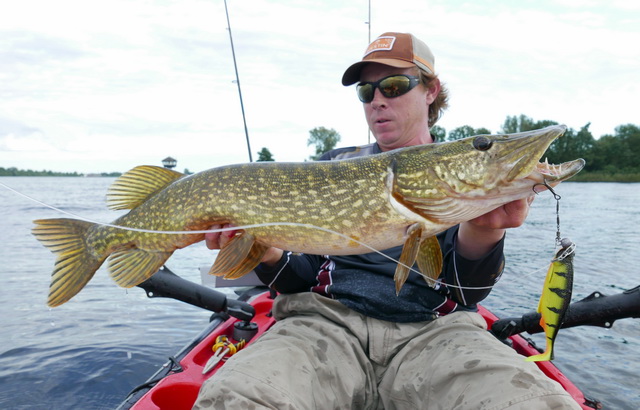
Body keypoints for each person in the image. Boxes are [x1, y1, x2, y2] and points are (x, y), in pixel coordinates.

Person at [194, 32, 580, 409]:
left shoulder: (456, 187)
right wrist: (261, 249)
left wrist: (484, 229)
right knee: (235, 400)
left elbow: (466, 294)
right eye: (367, 91)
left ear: (431, 91)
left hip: (435, 334)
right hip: (326, 327)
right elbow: (299, 280)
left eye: (393, 85)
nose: (377, 100)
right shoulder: (333, 166)